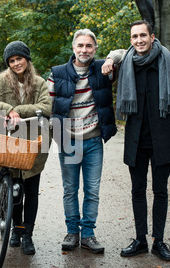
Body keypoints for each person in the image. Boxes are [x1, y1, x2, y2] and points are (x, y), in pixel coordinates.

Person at [102, 20, 170, 261]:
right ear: (130, 40)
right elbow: (105, 75)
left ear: (152, 37)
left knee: (160, 190)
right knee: (137, 190)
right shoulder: (126, 65)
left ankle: (158, 241)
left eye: (143, 35)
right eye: (134, 36)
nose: (139, 40)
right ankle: (140, 239)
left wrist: (166, 122)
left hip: (163, 139)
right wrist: (111, 59)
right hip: (136, 139)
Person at [0, 41, 52, 255]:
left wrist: (19, 110)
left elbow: (46, 107)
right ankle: (15, 229)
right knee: (14, 189)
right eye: (12, 60)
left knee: (31, 190)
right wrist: (6, 109)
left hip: (33, 142)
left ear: (27, 59)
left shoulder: (38, 82)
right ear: (8, 63)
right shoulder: (0, 81)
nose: (17, 63)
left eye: (20, 59)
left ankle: (28, 234)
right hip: (7, 142)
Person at [47, 29, 117, 254]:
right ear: (73, 48)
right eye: (80, 46)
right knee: (70, 189)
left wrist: (111, 58)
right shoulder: (56, 74)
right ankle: (72, 232)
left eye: (89, 46)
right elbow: (48, 107)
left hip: (94, 140)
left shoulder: (104, 70)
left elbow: (127, 53)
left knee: (92, 190)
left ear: (95, 48)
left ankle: (88, 234)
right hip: (68, 141)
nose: (84, 50)